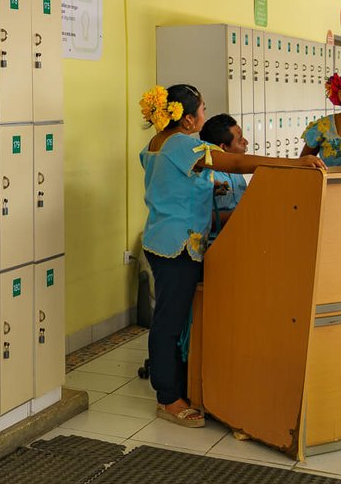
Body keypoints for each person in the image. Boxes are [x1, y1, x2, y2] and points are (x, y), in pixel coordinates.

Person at [139, 84, 325, 427]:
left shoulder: (157, 143)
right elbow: (237, 161)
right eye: (203, 109)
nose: (205, 115)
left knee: (172, 317)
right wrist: (293, 163)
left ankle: (179, 385)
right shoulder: (184, 143)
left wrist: (212, 185)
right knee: (169, 322)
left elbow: (176, 183)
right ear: (188, 119)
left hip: (161, 238)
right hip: (177, 245)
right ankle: (168, 399)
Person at [199, 113, 248, 238]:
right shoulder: (204, 175)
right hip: (216, 244)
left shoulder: (236, 174)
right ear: (223, 147)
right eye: (240, 139)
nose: (246, 142)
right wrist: (243, 214)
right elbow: (201, 218)